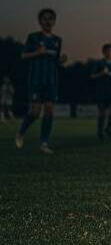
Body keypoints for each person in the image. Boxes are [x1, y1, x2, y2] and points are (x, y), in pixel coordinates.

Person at [15, 8, 67, 153]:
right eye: (45, 18)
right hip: (36, 80)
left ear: (54, 22)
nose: (48, 21)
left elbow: (55, 62)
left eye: (51, 18)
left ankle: (44, 144)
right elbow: (24, 56)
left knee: (49, 111)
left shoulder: (57, 40)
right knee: (35, 112)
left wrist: (61, 61)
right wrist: (37, 52)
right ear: (40, 21)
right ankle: (21, 132)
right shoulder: (33, 37)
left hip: (51, 80)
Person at [90, 43, 111, 140]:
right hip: (102, 91)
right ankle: (100, 132)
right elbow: (92, 76)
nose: (109, 53)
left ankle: (108, 128)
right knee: (102, 112)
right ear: (103, 53)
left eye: (110, 51)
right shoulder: (99, 63)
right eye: (107, 51)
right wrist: (101, 73)